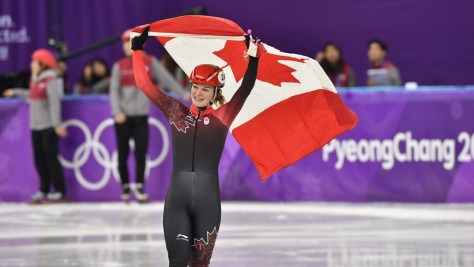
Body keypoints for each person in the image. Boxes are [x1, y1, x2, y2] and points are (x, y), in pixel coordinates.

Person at [132, 27, 262, 266]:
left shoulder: (223, 115)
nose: (198, 93)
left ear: (215, 93)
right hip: (177, 202)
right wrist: (137, 50)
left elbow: (246, 88)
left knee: (200, 265)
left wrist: (253, 58)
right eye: (195, 87)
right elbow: (144, 85)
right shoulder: (175, 112)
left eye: (205, 89)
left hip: (207, 202)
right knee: (178, 262)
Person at [110, 29, 188, 203]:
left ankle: (139, 186)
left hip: (141, 117)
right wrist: (117, 112)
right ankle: (124, 187)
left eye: (128, 42)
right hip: (123, 117)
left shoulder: (150, 63)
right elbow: (114, 91)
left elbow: (167, 79)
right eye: (123, 42)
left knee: (140, 152)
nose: (125, 46)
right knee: (122, 153)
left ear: (140, 44)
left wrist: (182, 93)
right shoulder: (119, 66)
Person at [2, 49, 67, 203]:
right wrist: (15, 91)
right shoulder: (35, 79)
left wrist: (57, 125)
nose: (32, 65)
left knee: (51, 159)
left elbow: (54, 104)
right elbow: (31, 94)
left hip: (48, 127)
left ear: (43, 64)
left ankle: (59, 190)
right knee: (39, 159)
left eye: (35, 62)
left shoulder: (50, 80)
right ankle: (43, 189)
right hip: (35, 127)